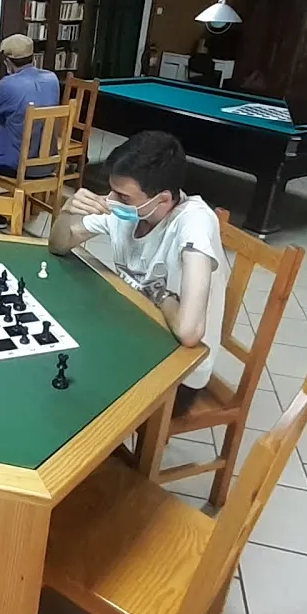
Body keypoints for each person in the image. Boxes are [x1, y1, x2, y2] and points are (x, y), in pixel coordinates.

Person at [46, 131, 227, 415]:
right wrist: (68, 212)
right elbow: (58, 245)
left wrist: (160, 296)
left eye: (122, 196)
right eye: (111, 190)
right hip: (134, 333)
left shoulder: (194, 225)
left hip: (180, 372)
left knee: (75, 394)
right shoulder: (128, 210)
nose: (111, 200)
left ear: (162, 199)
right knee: (57, 351)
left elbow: (189, 332)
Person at [0, 34, 60, 192]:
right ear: (33, 57)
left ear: (7, 62)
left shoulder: (9, 85)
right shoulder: (52, 79)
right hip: (48, 163)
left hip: (18, 165)